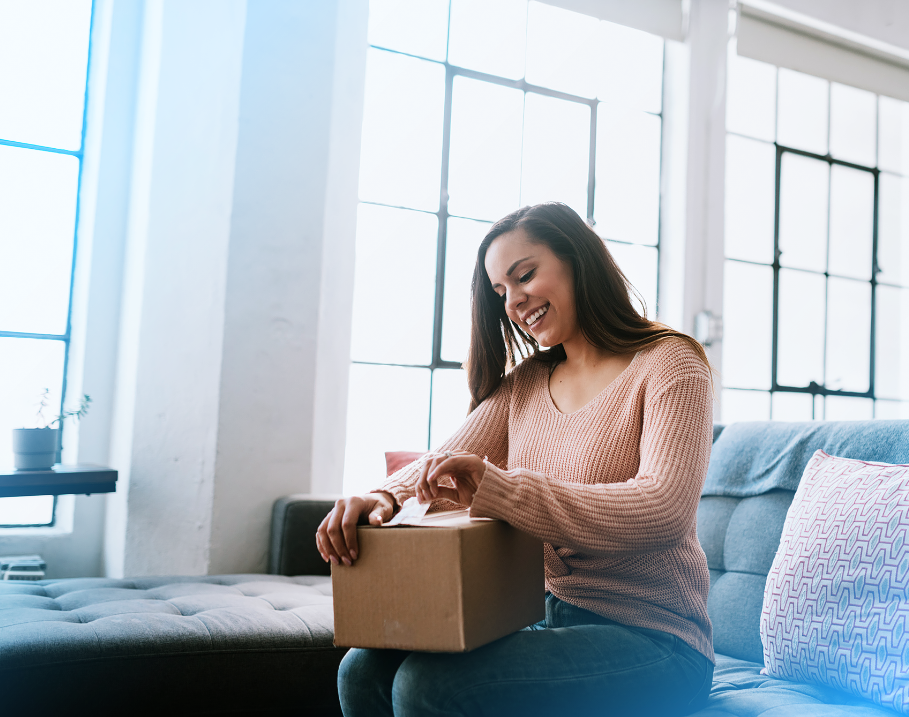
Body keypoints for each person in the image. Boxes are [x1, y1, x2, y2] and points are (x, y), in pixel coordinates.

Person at [316, 202, 716, 717]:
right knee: (362, 668)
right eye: (500, 291)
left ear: (579, 259)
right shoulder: (525, 384)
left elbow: (663, 509)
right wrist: (380, 496)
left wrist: (502, 489)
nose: (513, 302)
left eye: (524, 275)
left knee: (430, 687)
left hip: (657, 641)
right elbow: (446, 460)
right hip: (543, 616)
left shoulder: (670, 362)